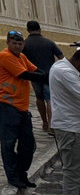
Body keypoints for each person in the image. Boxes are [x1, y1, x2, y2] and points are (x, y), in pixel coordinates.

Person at [0, 28, 49, 190]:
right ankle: (13, 177)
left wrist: (48, 74)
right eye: (14, 43)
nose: (17, 46)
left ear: (23, 44)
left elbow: (35, 70)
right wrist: (49, 77)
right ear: (8, 43)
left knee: (29, 144)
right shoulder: (5, 56)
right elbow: (25, 75)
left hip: (21, 107)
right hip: (7, 106)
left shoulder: (22, 57)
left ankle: (21, 173)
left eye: (19, 43)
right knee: (9, 144)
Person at [49, 43, 80, 195]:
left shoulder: (62, 66)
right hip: (70, 129)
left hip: (72, 126)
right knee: (73, 173)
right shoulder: (65, 72)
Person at [25, 20, 65, 132]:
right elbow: (61, 57)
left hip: (34, 75)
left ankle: (45, 122)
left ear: (28, 30)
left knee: (39, 98)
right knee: (50, 99)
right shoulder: (49, 42)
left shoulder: (25, 44)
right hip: (49, 74)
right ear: (40, 29)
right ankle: (52, 125)